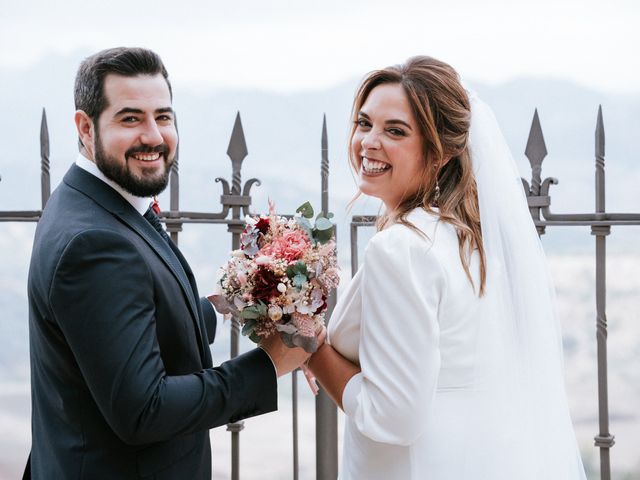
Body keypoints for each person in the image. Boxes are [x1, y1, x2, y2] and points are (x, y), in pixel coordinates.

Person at [26, 47, 312, 479]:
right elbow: (145, 411)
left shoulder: (96, 203)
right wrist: (269, 364)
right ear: (85, 128)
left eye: (162, 116)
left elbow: (136, 314)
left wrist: (237, 302)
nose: (154, 136)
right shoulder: (95, 243)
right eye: (130, 118)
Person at [307, 56, 587, 479]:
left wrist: (311, 350)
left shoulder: (400, 248)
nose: (368, 142)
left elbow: (393, 416)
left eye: (395, 131)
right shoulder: (472, 241)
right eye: (364, 124)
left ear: (440, 152)